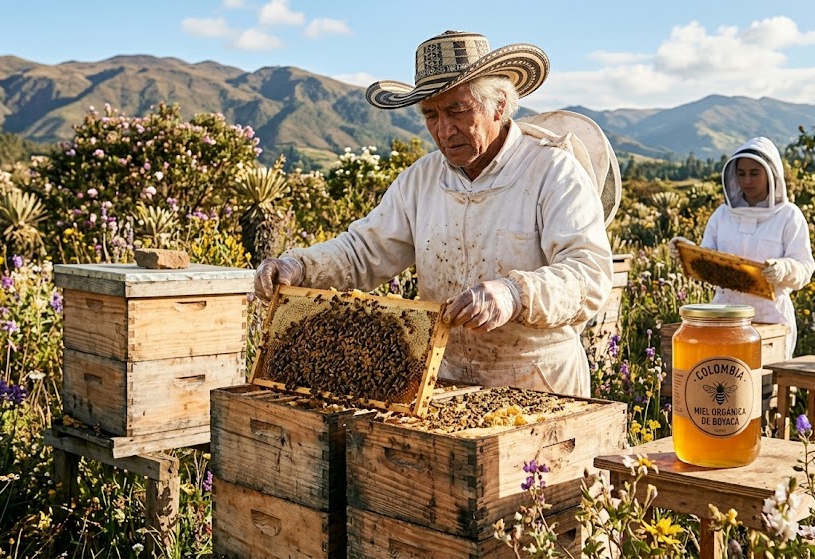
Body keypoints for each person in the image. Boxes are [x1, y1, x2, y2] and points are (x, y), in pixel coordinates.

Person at [253, 30, 614, 397]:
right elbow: (364, 251)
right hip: (445, 379)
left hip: (538, 378)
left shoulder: (553, 171)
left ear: (499, 105)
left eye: (457, 110)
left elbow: (589, 274)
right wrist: (301, 267)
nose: (444, 130)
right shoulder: (421, 179)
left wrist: (515, 293)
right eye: (431, 115)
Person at [670, 137, 814, 359]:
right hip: (723, 316)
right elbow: (708, 259)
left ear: (771, 173)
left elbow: (804, 268)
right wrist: (686, 252)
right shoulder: (722, 215)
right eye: (741, 173)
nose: (747, 180)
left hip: (771, 317)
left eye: (754, 173)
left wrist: (784, 268)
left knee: (767, 381)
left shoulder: (789, 216)